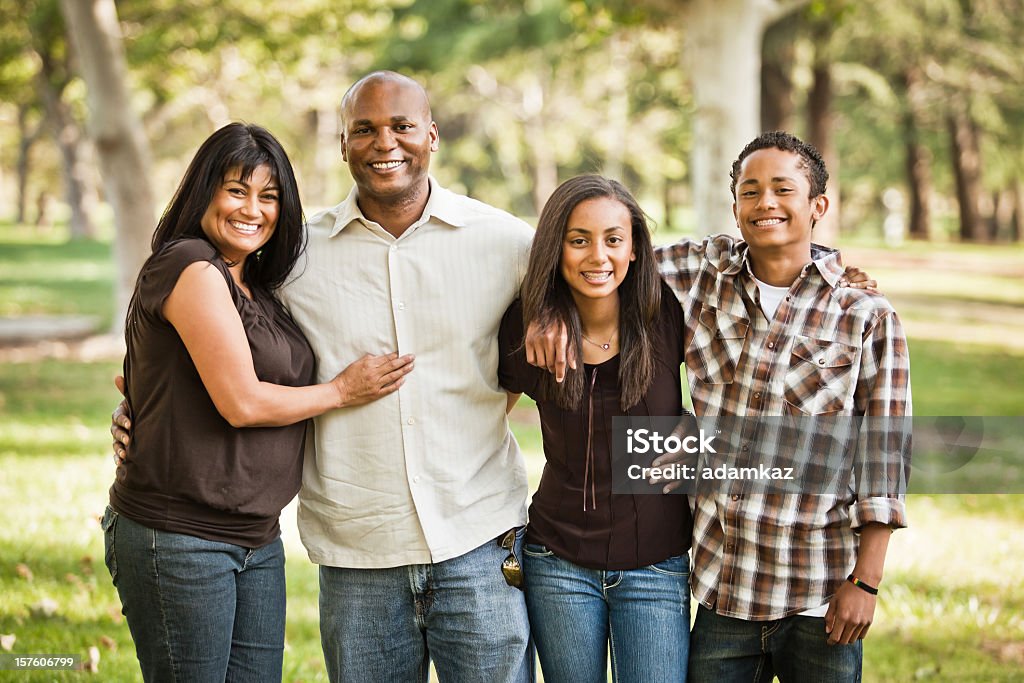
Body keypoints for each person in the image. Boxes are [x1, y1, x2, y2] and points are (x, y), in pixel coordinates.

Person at [116, 72, 536, 681]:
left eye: (401, 126)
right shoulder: (292, 256)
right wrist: (134, 410)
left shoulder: (506, 242)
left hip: (476, 535)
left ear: (433, 135)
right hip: (357, 546)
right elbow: (181, 343)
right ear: (342, 144)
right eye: (363, 129)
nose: (383, 142)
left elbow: (564, 333)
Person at [528, 131, 909, 681]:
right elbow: (594, 261)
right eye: (750, 191)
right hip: (721, 592)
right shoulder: (698, 275)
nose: (766, 203)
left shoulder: (866, 315)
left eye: (783, 190)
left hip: (819, 593)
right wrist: (547, 309)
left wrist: (866, 582)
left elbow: (884, 460)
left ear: (818, 206)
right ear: (735, 206)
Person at [103, 122, 414, 682]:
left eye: (268, 196)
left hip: (255, 539)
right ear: (204, 192)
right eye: (236, 190)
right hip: (179, 536)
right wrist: (343, 390)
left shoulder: (258, 285)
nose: (253, 209)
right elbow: (241, 402)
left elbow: (150, 379)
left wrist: (137, 408)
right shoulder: (192, 267)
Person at [498, 175, 692, 682]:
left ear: (633, 248)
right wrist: (539, 313)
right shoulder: (528, 328)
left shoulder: (668, 312)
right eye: (578, 240)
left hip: (656, 561)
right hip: (557, 560)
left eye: (613, 239)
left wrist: (697, 437)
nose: (597, 257)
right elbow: (479, 411)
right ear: (556, 249)